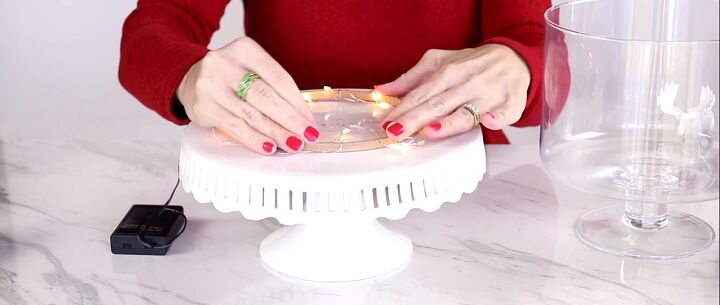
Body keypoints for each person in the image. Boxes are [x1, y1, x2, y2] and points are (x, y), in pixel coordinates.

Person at [119, 0, 549, 155]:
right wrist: (189, 73)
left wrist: (519, 64)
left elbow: (534, 41)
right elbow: (157, 25)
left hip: (453, 173)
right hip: (281, 176)